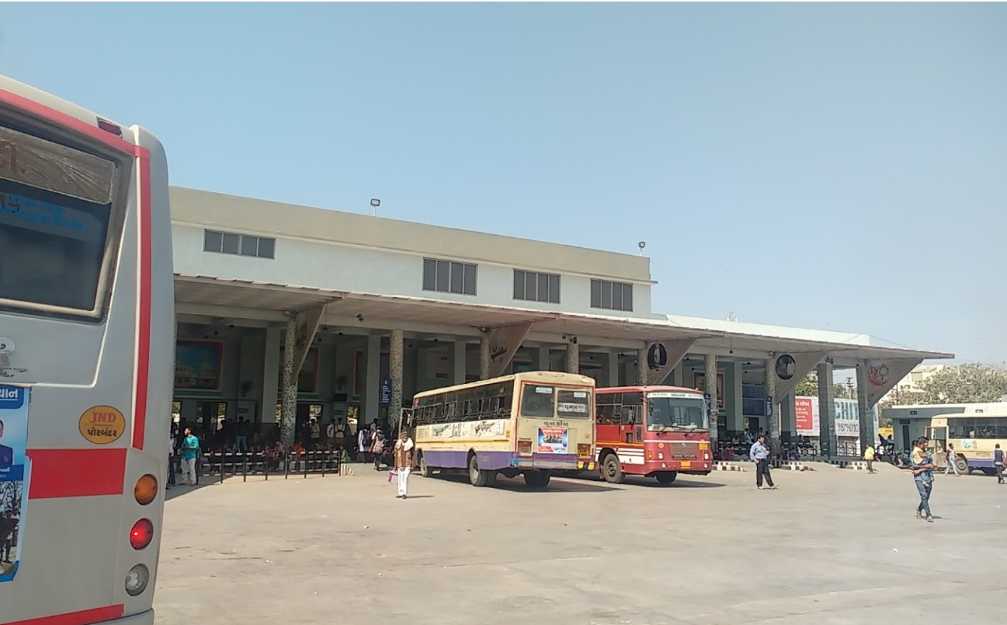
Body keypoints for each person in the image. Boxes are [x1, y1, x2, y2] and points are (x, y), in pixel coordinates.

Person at [910, 437, 935, 522]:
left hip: (928, 477)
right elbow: (914, 466)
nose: (927, 445)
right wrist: (926, 467)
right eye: (925, 443)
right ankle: (928, 514)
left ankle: (919, 509)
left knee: (926, 497)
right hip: (919, 478)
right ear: (920, 444)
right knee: (923, 495)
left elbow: (931, 464)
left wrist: (922, 469)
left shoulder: (927, 453)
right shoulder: (914, 453)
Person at [393, 429, 414, 499]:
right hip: (400, 464)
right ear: (401, 436)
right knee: (400, 479)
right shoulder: (398, 444)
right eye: (403, 435)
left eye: (405, 436)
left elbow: (413, 455)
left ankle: (404, 493)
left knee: (405, 478)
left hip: (407, 464)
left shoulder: (410, 444)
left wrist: (413, 465)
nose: (404, 437)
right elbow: (396, 455)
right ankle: (400, 493)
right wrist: (395, 465)